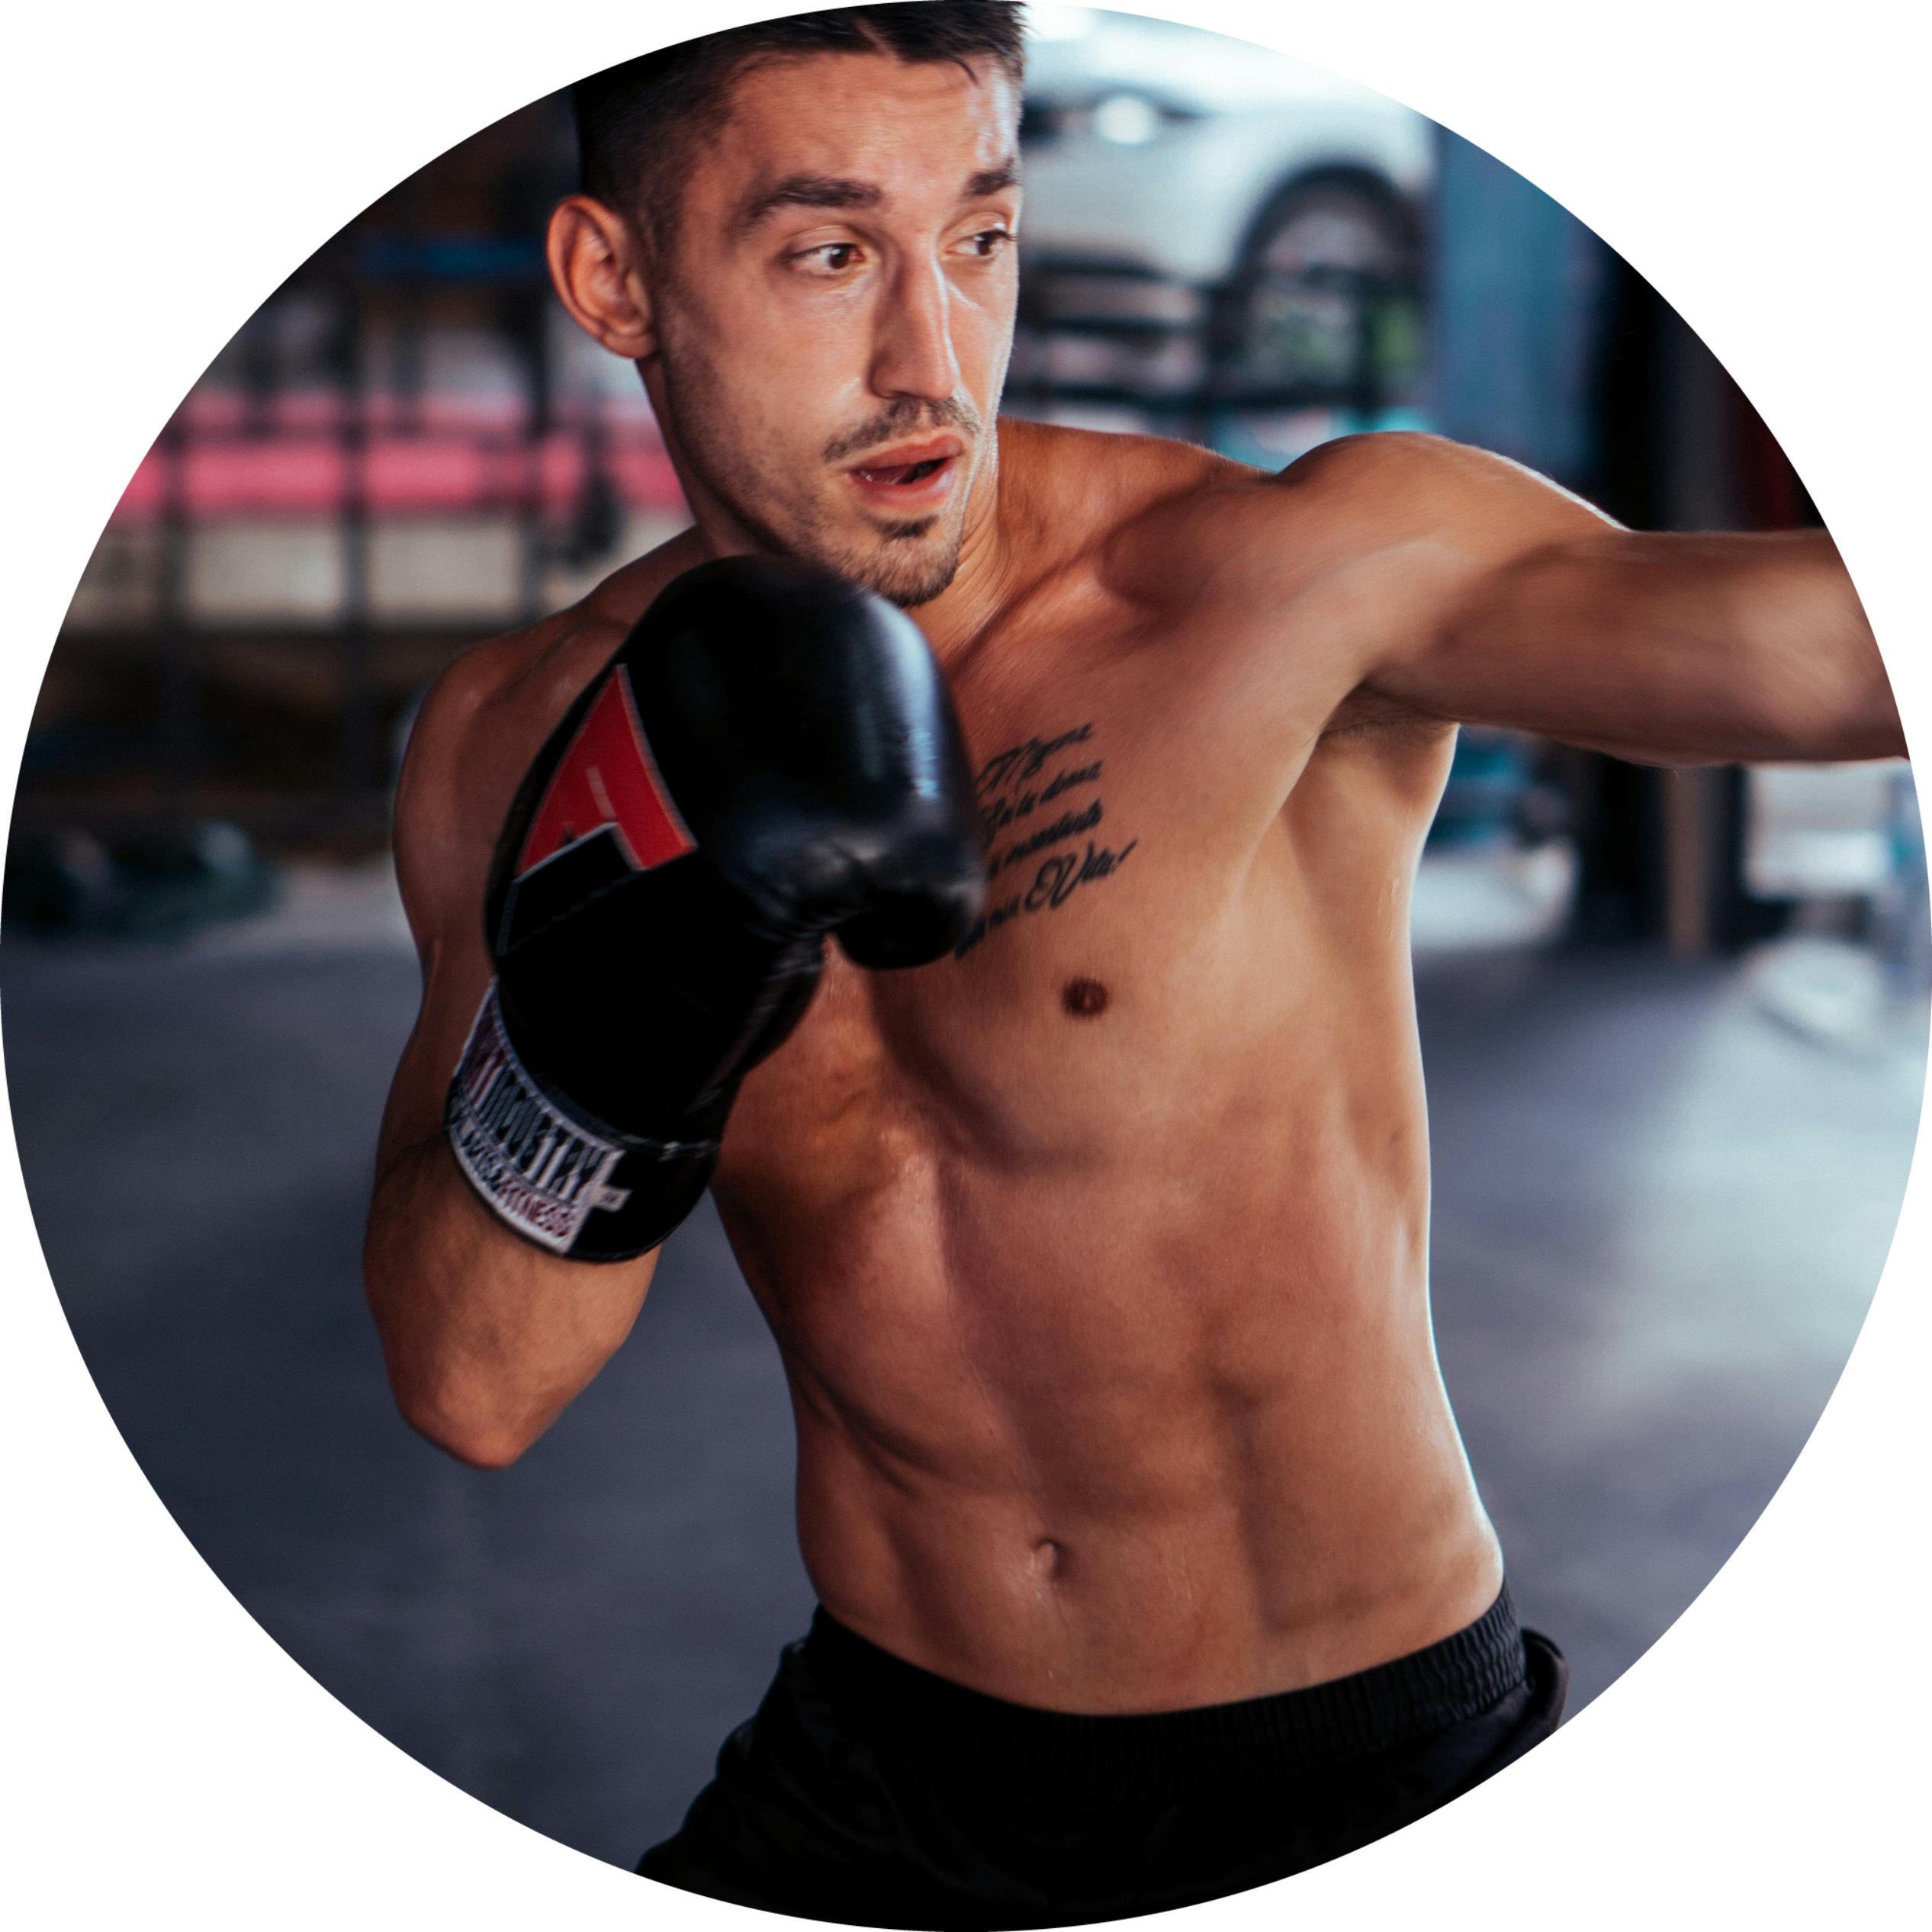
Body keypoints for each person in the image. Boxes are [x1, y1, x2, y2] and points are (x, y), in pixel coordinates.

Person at [363, 6, 1901, 1918]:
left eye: (981, 239)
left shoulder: (1280, 580)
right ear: (616, 279)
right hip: (883, 1776)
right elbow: (472, 1380)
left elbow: (1814, 657)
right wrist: (620, 1024)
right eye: (829, 251)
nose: (932, 357)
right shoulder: (523, 739)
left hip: (1364, 1762)